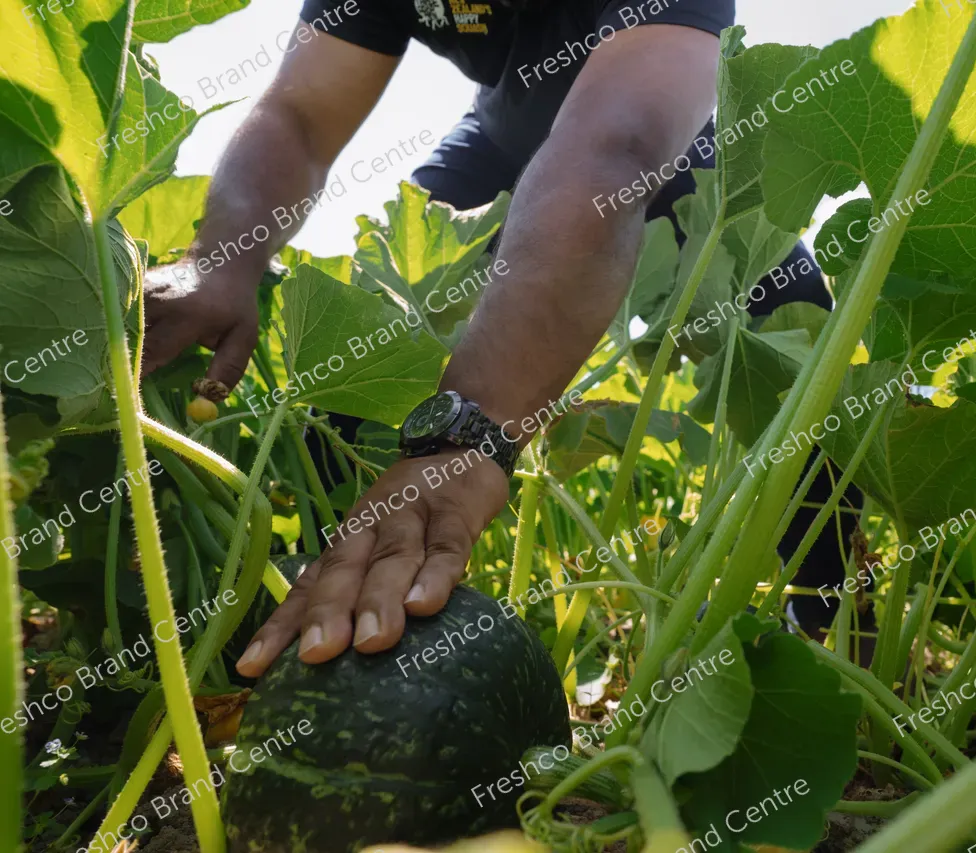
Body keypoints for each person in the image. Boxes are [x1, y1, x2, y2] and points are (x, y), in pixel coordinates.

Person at [140, 0, 861, 678]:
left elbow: (618, 143)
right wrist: (222, 256)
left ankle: (821, 612)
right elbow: (298, 115)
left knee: (801, 335)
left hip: (670, 144)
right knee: (379, 331)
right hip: (502, 136)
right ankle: (325, 598)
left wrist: (466, 435)